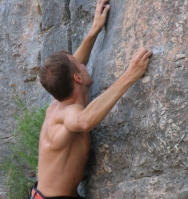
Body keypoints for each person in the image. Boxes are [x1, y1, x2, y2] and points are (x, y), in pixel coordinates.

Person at [30, 0, 152, 198]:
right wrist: (130, 75)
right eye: (80, 65)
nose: (83, 62)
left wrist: (94, 29)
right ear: (78, 78)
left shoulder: (60, 97)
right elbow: (85, 120)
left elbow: (74, 66)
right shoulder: (67, 115)